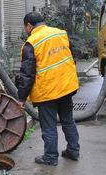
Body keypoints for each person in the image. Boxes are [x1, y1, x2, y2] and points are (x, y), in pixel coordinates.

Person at [18, 12, 80, 166]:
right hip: (66, 87)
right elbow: (71, 56)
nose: (26, 30)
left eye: (25, 27)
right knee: (68, 121)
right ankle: (73, 151)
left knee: (49, 126)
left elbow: (27, 74)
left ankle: (51, 157)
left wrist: (21, 98)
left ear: (29, 26)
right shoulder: (61, 33)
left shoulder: (31, 43)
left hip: (47, 92)